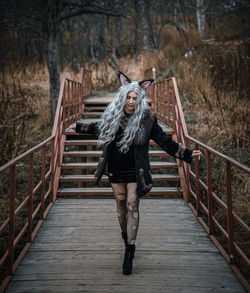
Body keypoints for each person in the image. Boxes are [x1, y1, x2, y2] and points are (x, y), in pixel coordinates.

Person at [69, 71, 202, 275]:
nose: (131, 102)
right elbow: (99, 127)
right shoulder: (113, 114)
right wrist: (79, 127)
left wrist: (187, 153)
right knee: (121, 203)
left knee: (132, 203)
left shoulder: (147, 119)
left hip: (136, 169)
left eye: (135, 98)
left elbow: (164, 140)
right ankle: (125, 236)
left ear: (140, 99)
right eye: (128, 97)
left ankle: (129, 250)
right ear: (123, 97)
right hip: (114, 167)